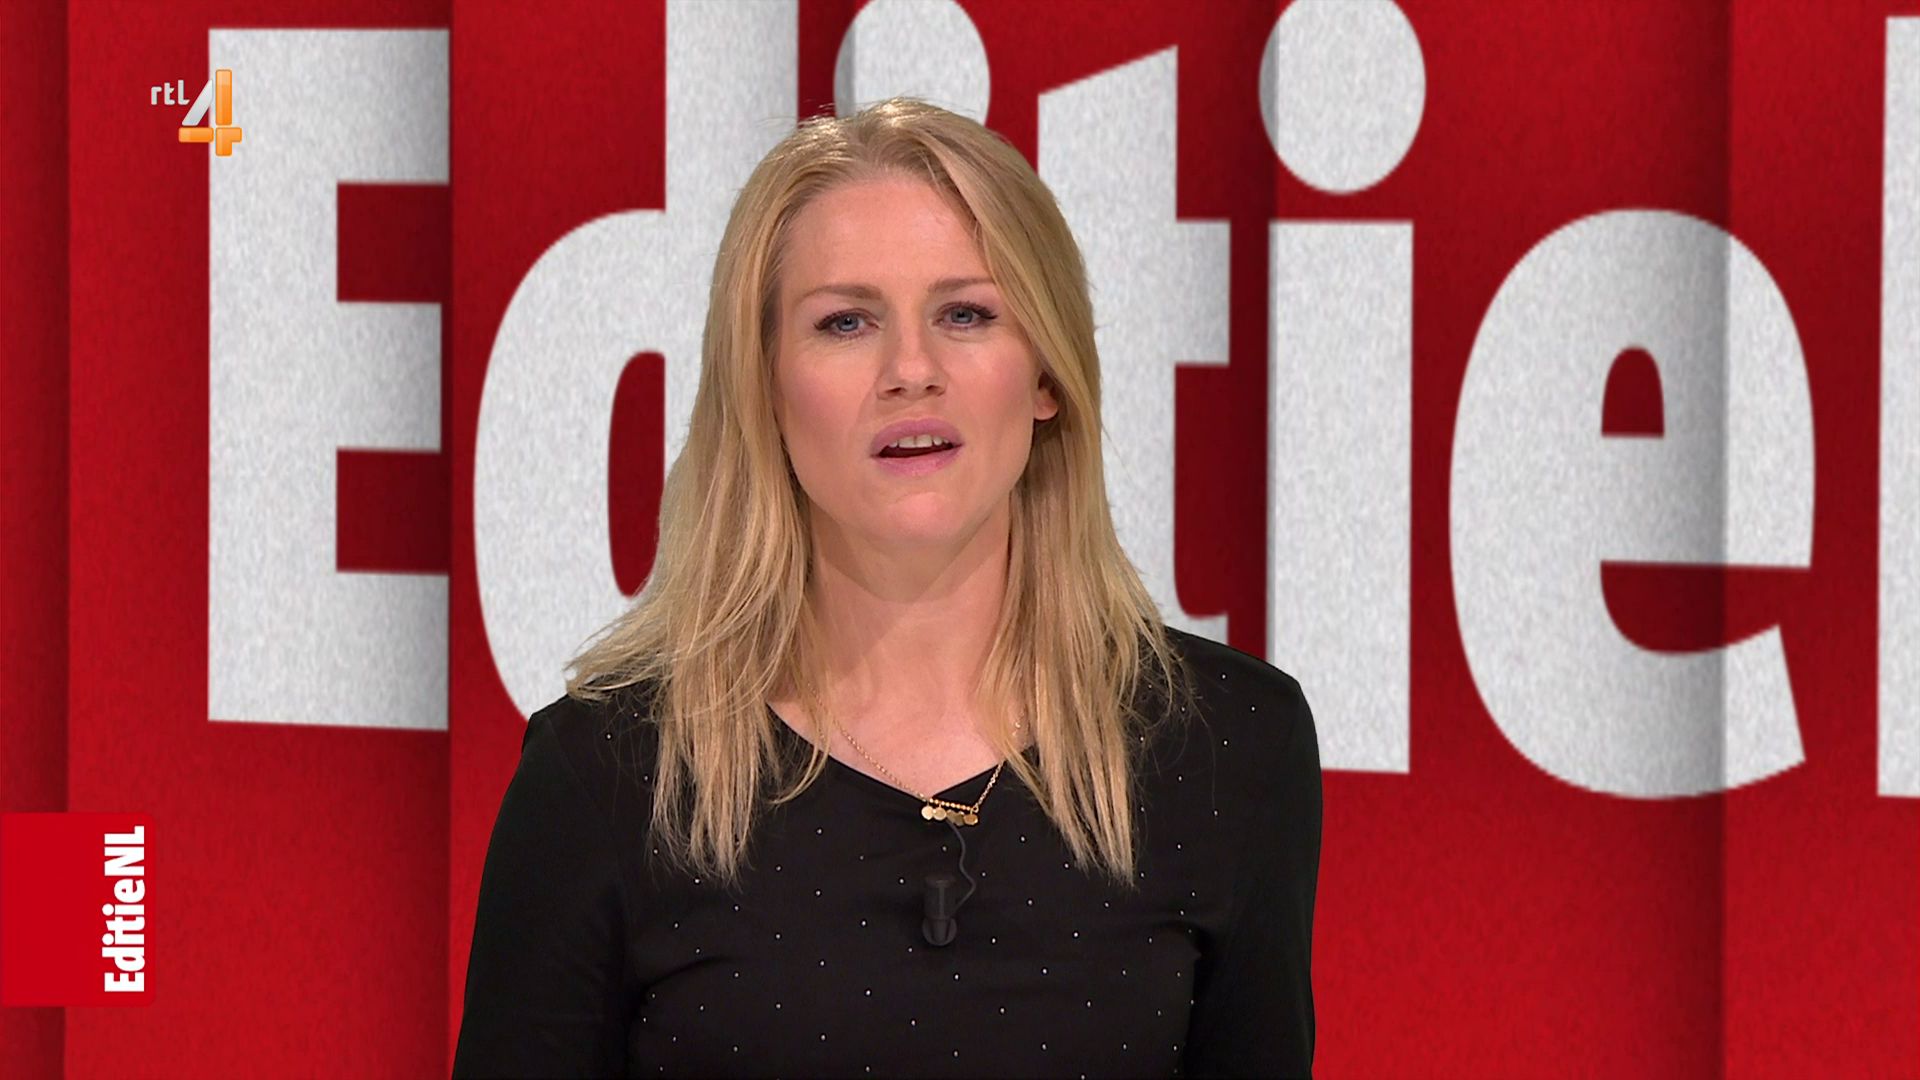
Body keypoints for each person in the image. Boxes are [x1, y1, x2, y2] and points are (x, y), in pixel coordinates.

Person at [451, 96, 1321, 1079]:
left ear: (1046, 375)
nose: (912, 369)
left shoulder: (1232, 748)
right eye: (846, 322)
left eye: (966, 314)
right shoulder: (606, 776)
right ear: (764, 388)